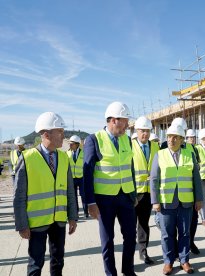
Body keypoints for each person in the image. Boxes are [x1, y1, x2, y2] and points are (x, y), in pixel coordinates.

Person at [13, 111, 77, 275]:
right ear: (47, 134)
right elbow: (19, 196)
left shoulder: (63, 157)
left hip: (59, 220)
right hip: (36, 223)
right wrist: (22, 224)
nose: (64, 135)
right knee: (35, 264)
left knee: (58, 261)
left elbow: (70, 190)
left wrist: (72, 216)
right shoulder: (27, 158)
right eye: (60, 131)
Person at [83, 101, 137, 276]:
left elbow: (130, 167)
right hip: (104, 200)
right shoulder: (94, 139)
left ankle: (128, 271)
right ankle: (110, 274)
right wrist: (90, 202)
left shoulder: (127, 140)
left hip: (126, 198)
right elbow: (87, 173)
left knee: (130, 237)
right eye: (125, 121)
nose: (128, 125)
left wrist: (133, 192)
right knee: (107, 241)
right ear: (114, 120)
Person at [150, 124, 203, 275]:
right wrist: (155, 201)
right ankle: (168, 262)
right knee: (167, 234)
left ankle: (184, 260)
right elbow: (154, 180)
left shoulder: (189, 155)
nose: (171, 140)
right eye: (168, 137)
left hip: (186, 201)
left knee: (185, 233)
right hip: (166, 202)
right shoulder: (160, 155)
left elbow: (196, 178)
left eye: (175, 137)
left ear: (181, 139)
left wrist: (198, 199)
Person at [161, 118, 202, 255]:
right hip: (170, 196)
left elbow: (196, 174)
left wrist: (198, 197)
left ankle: (190, 244)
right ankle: (174, 253)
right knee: (170, 228)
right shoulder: (163, 147)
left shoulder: (191, 149)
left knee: (191, 224)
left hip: (187, 196)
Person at [132, 116, 158, 265]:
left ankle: (143, 251)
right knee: (130, 226)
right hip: (133, 193)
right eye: (142, 131)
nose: (145, 134)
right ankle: (129, 255)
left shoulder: (155, 147)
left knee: (143, 224)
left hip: (149, 193)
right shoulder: (130, 146)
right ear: (137, 131)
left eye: (148, 131)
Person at [67, 135, 88, 218]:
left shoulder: (84, 153)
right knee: (73, 197)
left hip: (81, 178)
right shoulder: (67, 153)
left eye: (72, 144)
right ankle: (76, 213)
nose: (70, 145)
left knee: (84, 195)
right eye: (70, 144)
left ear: (77, 144)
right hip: (72, 178)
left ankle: (86, 212)